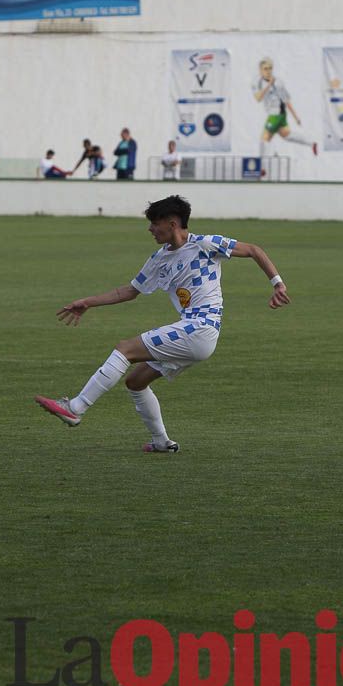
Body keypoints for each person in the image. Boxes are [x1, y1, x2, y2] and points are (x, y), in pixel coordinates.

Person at [35, 195, 290, 452]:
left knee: (125, 348)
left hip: (200, 328)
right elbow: (129, 291)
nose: (150, 229)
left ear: (172, 223)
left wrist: (277, 284)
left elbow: (254, 250)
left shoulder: (205, 244)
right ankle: (161, 442)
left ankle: (75, 408)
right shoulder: (159, 258)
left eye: (154, 223)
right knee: (136, 382)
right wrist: (88, 302)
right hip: (194, 332)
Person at [252, 57, 317, 156]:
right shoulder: (257, 82)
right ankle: (312, 144)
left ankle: (262, 167)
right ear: (260, 70)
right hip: (278, 115)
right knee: (286, 135)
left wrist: (296, 118)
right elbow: (258, 98)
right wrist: (268, 85)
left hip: (276, 115)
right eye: (265, 69)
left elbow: (286, 100)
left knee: (264, 139)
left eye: (270, 68)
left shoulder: (278, 82)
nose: (268, 71)